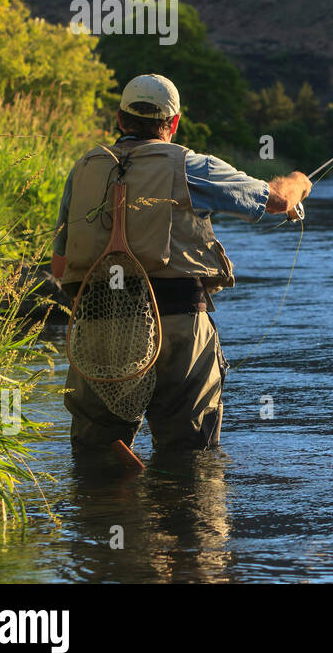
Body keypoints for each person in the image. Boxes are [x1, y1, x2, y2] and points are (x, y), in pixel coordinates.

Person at [51, 74, 311, 452]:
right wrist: (298, 181)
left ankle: (104, 509)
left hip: (96, 328)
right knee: (191, 461)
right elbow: (275, 201)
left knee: (98, 460)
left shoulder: (83, 168)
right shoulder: (191, 165)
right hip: (179, 327)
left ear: (121, 120)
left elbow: (60, 269)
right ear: (173, 123)